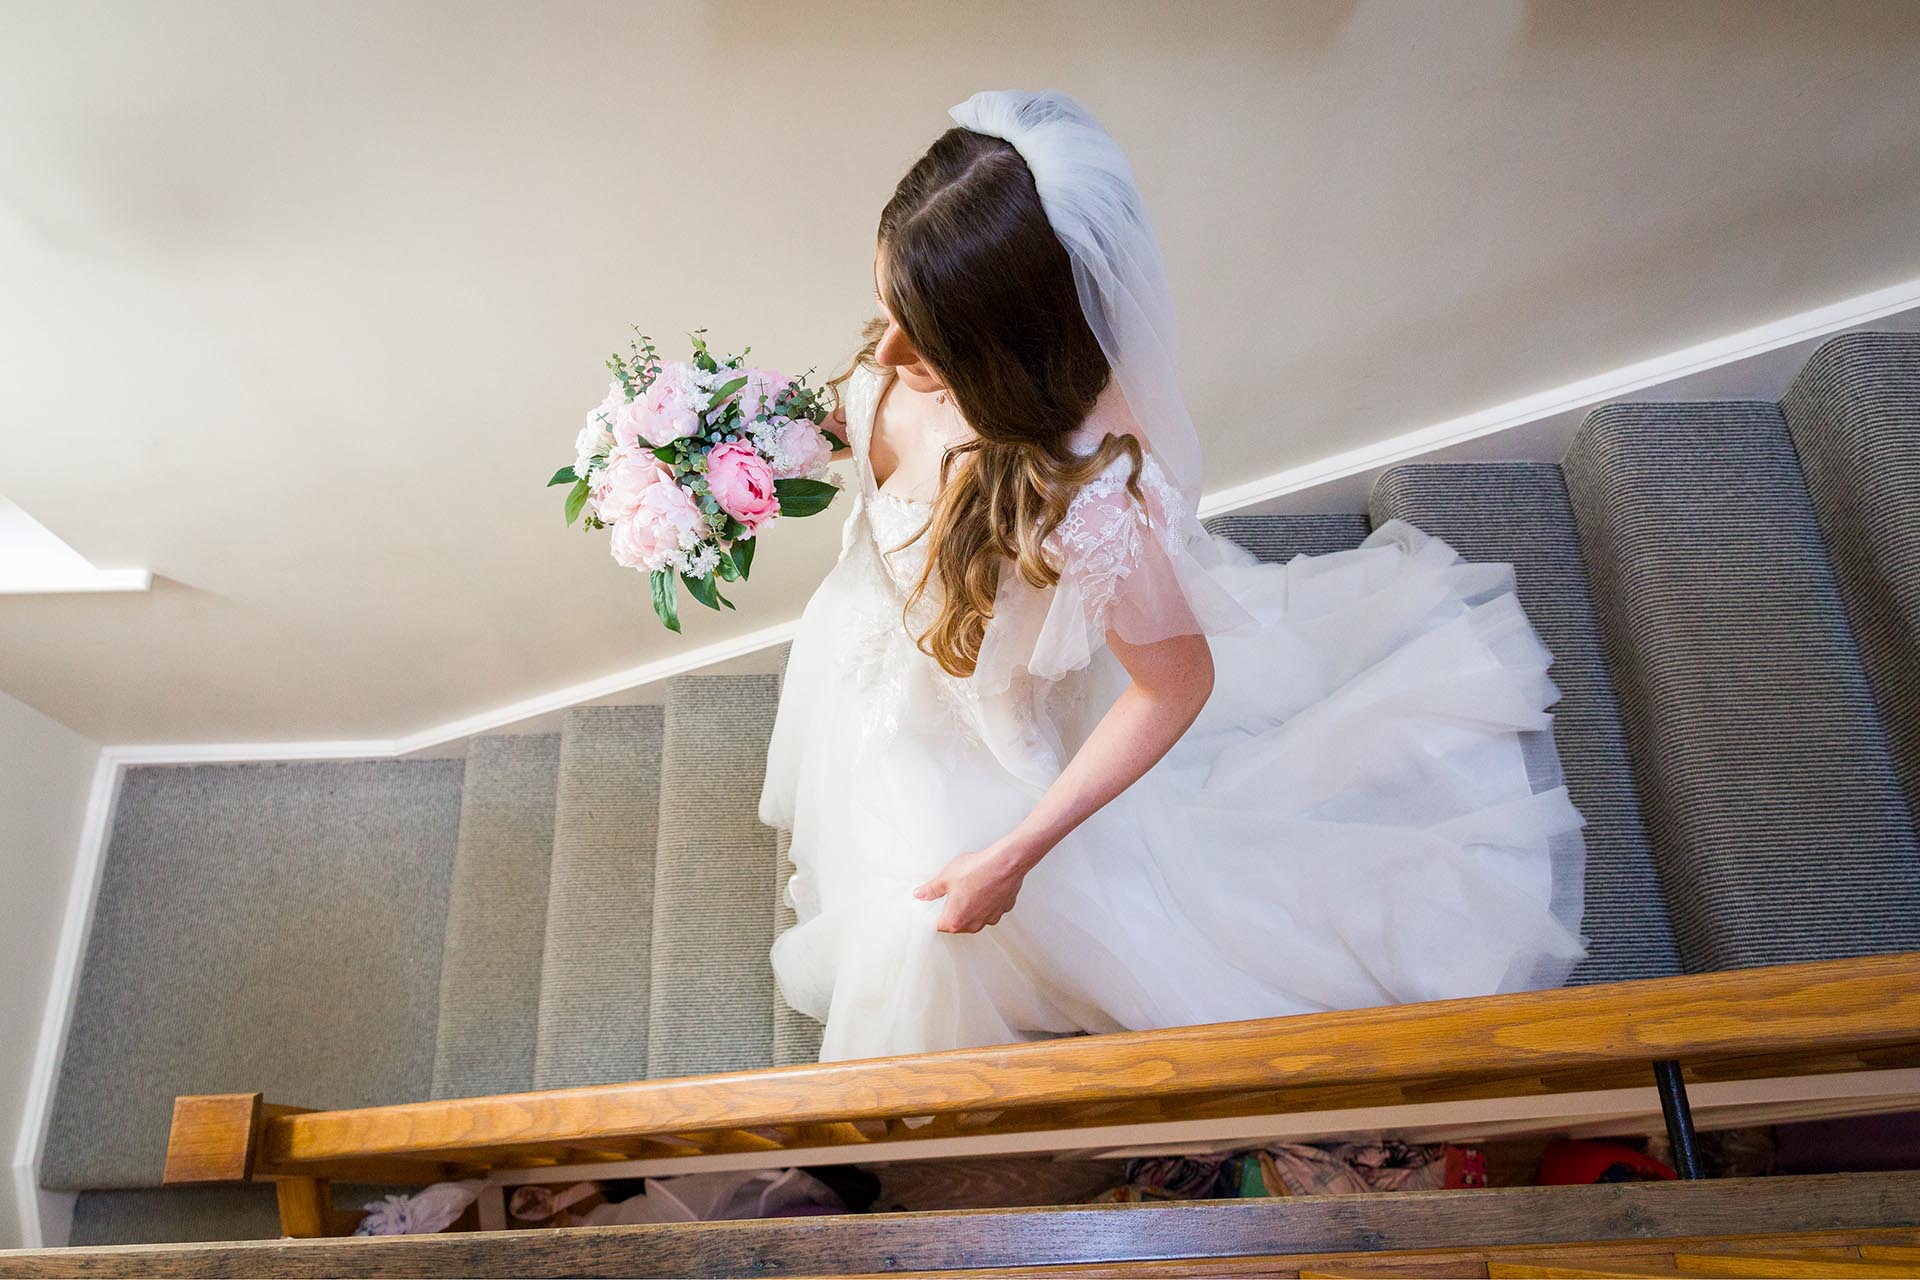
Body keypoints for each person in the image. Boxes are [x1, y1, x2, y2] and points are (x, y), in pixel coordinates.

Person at [758, 89, 1587, 1062]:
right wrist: (724, 460)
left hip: (987, 739)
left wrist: (1018, 853)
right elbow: (855, 408)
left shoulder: (1088, 497)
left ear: (1008, 346)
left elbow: (1176, 680)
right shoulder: (913, 353)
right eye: (889, 310)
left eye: (925, 338)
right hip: (877, 643)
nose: (891, 356)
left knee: (918, 937)